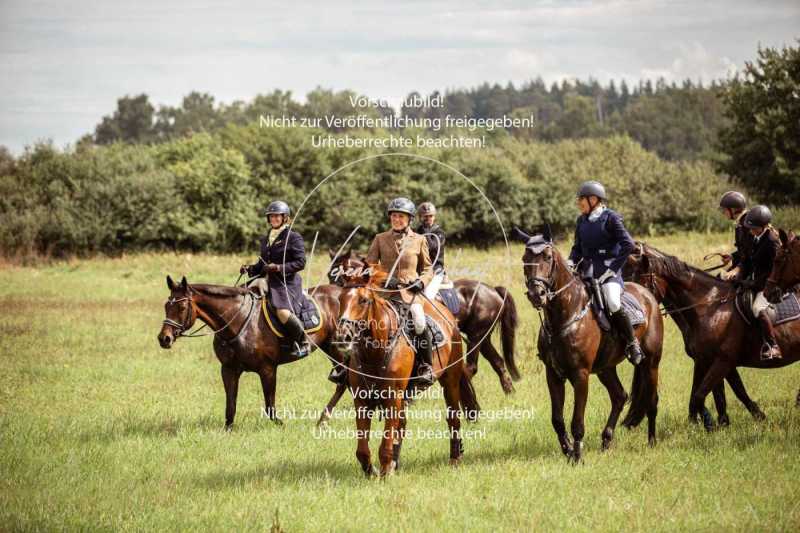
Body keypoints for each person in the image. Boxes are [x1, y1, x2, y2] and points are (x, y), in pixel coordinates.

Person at [568, 181, 643, 365]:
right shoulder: (581, 221)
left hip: (610, 273)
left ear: (593, 199)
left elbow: (628, 244)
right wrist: (570, 261)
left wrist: (612, 269)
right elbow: (577, 248)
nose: (579, 203)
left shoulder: (611, 218)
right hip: (586, 272)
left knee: (613, 302)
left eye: (582, 200)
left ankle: (632, 343)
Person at [366, 197, 436, 387]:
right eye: (394, 216)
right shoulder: (380, 238)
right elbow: (370, 266)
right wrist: (385, 279)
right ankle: (348, 365)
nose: (397, 219)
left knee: (419, 321)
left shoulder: (419, 239)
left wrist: (421, 283)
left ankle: (425, 366)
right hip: (384, 293)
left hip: (409, 294)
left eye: (401, 217)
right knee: (362, 322)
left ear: (409, 219)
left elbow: (428, 269)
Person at [241, 201, 310, 358]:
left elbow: (301, 262)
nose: (273, 219)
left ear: (285, 218)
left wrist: (278, 268)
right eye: (271, 216)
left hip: (286, 283)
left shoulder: (293, 237)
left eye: (277, 216)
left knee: (282, 312)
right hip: (266, 280)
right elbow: (262, 264)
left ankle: (302, 342)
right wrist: (250, 268)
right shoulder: (266, 239)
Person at [737, 205, 782, 360]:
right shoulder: (757, 238)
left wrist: (753, 284)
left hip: (770, 285)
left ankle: (773, 346)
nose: (750, 231)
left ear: (763, 226)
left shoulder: (772, 241)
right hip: (757, 281)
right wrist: (741, 279)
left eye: (753, 228)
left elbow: (774, 270)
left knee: (757, 308)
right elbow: (751, 262)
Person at [415, 201, 449, 299]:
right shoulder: (416, 231)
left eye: (430, 216)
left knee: (427, 296)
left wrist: (426, 232)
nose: (428, 219)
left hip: (435, 271)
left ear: (434, 217)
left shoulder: (439, 233)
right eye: (425, 216)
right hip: (419, 271)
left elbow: (433, 247)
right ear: (420, 217)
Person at [718, 191, 753, 281]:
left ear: (733, 210)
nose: (723, 212)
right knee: (719, 277)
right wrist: (732, 256)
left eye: (725, 210)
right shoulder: (740, 223)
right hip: (744, 265)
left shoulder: (747, 224)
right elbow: (744, 250)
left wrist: (738, 268)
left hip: (754, 269)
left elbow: (751, 252)